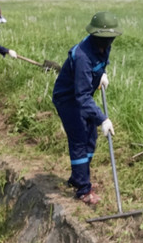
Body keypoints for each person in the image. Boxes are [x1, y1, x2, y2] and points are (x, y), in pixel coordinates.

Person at [52, 11, 121, 205]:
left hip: (81, 98)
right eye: (106, 38)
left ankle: (78, 177)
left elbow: (100, 63)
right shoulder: (82, 56)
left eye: (111, 38)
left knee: (91, 136)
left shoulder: (102, 46)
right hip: (68, 99)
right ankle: (83, 189)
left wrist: (102, 74)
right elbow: (81, 96)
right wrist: (102, 119)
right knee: (80, 139)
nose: (109, 42)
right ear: (96, 36)